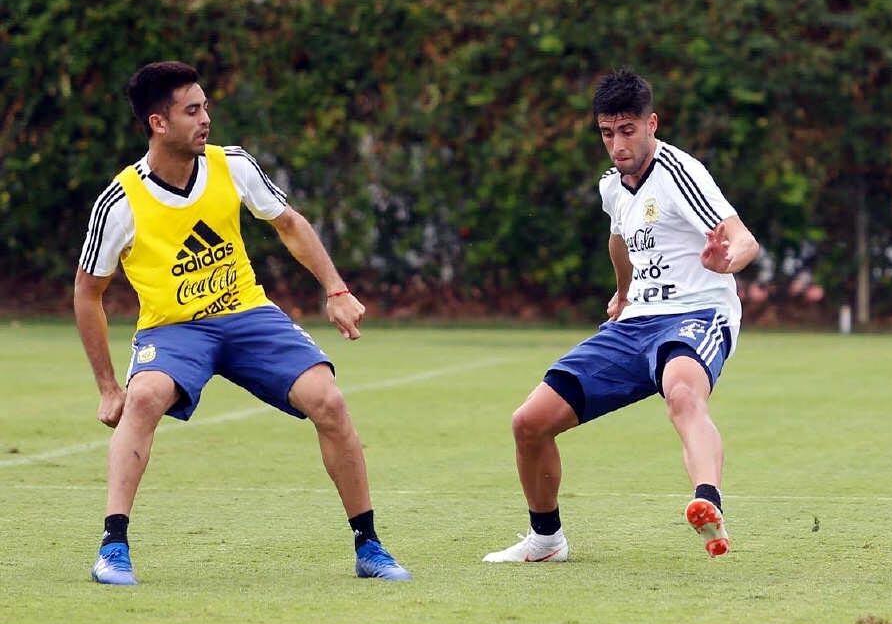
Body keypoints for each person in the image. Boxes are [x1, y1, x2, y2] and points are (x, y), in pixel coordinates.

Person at [75, 61, 411, 584]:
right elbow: (87, 290)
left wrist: (336, 289)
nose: (206, 118)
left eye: (206, 106)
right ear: (158, 123)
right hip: (174, 330)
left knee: (328, 400)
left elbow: (289, 224)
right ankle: (113, 548)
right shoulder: (120, 200)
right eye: (192, 110)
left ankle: (369, 546)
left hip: (247, 314)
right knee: (142, 399)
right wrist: (106, 386)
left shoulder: (232, 165)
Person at [483, 69, 759, 563]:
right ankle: (546, 541)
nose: (617, 144)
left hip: (695, 313)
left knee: (682, 392)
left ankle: (708, 501)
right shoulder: (613, 186)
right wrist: (622, 291)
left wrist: (727, 260)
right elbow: (618, 239)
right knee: (529, 422)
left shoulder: (680, 174)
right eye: (607, 133)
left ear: (652, 123)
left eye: (627, 130)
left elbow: (743, 239)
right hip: (634, 324)